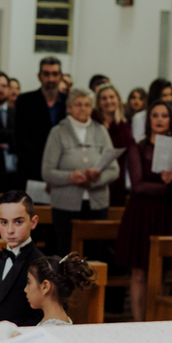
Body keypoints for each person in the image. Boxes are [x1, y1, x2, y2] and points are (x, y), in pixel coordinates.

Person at [116, 102, 172, 321]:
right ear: (149, 120)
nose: (160, 119)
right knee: (139, 272)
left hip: (167, 213)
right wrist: (167, 186)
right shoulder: (138, 148)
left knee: (164, 273)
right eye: (155, 115)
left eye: (164, 115)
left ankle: (158, 320)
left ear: (170, 121)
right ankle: (138, 321)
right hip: (142, 214)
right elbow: (138, 185)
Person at [41, 88, 121, 256]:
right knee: (67, 252)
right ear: (69, 107)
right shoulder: (58, 132)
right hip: (65, 204)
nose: (83, 108)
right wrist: (70, 177)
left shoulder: (100, 130)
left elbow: (114, 169)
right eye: (78, 104)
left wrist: (95, 180)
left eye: (87, 104)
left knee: (94, 252)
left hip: (97, 203)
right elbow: (47, 172)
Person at [0, 190, 45, 326]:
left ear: (33, 222)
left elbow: (40, 316)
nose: (10, 230)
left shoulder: (40, 262)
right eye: (4, 222)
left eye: (18, 222)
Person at [15, 56, 67, 182]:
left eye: (55, 74)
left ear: (61, 76)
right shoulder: (25, 101)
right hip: (32, 168)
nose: (51, 79)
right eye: (46, 74)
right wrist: (46, 160)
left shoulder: (69, 102)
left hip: (63, 169)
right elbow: (20, 138)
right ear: (39, 76)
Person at [24, 253, 96, 327]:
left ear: (45, 286)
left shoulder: (52, 328)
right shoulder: (57, 320)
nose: (25, 289)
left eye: (29, 282)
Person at [93, 83, 133, 206]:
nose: (108, 101)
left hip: (117, 176)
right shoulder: (93, 122)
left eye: (111, 97)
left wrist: (117, 123)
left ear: (118, 99)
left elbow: (129, 148)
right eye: (104, 98)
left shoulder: (124, 125)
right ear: (98, 102)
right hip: (95, 174)